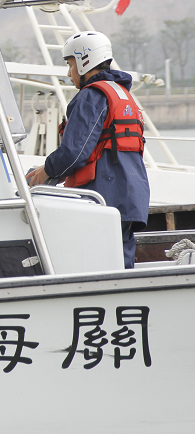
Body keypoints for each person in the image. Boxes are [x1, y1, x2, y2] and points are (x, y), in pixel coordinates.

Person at [26, 31, 149, 268]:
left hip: (103, 197)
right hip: (130, 197)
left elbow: (74, 152)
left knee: (95, 264)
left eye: (70, 65)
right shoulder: (123, 94)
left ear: (84, 61)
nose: (69, 73)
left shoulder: (91, 96)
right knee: (120, 264)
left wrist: (46, 171)